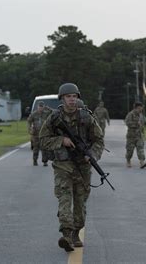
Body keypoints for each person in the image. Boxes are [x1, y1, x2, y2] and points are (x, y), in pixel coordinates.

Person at [39, 83, 104, 252]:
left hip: (82, 166)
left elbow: (99, 140)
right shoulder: (54, 118)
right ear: (62, 98)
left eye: (75, 96)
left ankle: (76, 232)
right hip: (63, 166)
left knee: (81, 202)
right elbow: (43, 140)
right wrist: (61, 141)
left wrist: (92, 155)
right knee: (65, 199)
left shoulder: (86, 117)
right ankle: (66, 235)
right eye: (69, 96)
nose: (72, 99)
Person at [27, 101, 53, 166]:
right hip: (35, 133)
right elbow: (29, 121)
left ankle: (45, 161)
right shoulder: (34, 114)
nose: (41, 108)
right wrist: (30, 129)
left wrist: (48, 108)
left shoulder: (46, 113)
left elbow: (54, 112)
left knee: (44, 148)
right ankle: (35, 160)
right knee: (36, 147)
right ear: (37, 107)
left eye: (42, 107)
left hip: (44, 133)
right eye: (40, 107)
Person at [125, 102, 146, 168]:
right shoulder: (130, 114)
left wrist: (143, 134)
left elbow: (143, 125)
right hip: (131, 136)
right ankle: (128, 161)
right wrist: (136, 124)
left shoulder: (141, 115)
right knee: (130, 150)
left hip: (139, 135)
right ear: (137, 108)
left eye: (142, 107)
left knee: (140, 149)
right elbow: (127, 123)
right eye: (140, 107)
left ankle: (142, 162)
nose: (141, 109)